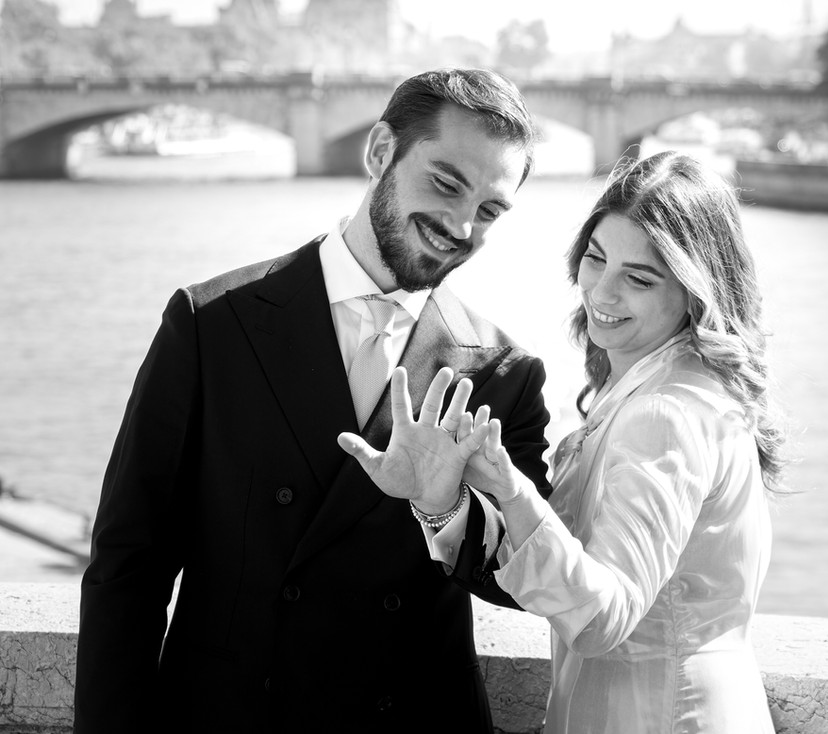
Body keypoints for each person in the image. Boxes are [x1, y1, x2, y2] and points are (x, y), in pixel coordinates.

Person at [73, 68, 553, 734]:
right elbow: (131, 564)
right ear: (380, 151)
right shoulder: (211, 324)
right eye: (445, 182)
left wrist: (445, 508)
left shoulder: (505, 372)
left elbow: (523, 580)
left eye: (490, 209)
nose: (462, 224)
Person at [344, 151, 784, 733]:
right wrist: (443, 502)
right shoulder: (668, 385)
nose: (601, 292)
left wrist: (513, 490)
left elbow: (604, 616)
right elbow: (573, 570)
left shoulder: (662, 414)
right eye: (596, 260)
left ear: (695, 291)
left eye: (639, 278)